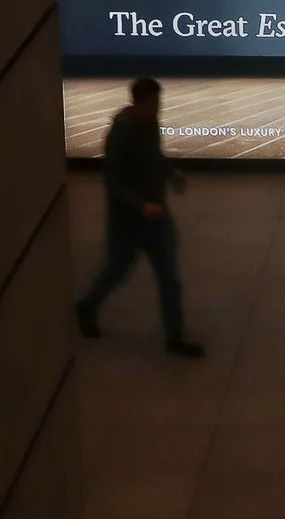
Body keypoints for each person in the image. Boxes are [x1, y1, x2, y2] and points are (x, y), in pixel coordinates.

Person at [74, 77, 204, 358]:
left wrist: (171, 174)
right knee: (117, 270)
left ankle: (175, 336)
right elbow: (115, 183)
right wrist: (140, 206)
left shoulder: (151, 125)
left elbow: (154, 157)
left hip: (156, 214)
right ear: (138, 102)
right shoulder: (120, 136)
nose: (158, 109)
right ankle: (87, 305)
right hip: (128, 221)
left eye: (159, 103)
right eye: (154, 104)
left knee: (169, 277)